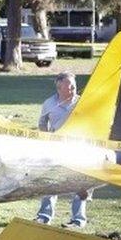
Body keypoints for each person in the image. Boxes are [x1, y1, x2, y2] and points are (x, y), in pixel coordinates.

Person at [34, 71, 92, 228]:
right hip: (56, 148)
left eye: (74, 86)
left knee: (80, 184)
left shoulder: (82, 103)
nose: (73, 90)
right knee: (50, 181)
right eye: (69, 87)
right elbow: (42, 122)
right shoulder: (49, 103)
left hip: (79, 148)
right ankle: (44, 217)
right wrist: (46, 139)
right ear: (59, 88)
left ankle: (78, 220)